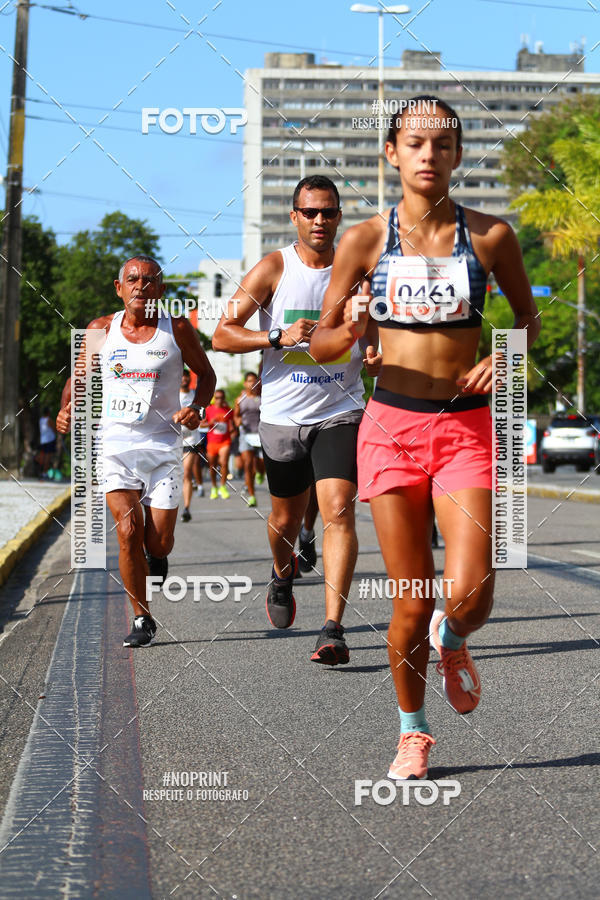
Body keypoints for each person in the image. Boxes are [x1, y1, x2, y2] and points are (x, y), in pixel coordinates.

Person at [310, 97, 540, 776]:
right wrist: (349, 330)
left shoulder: (491, 237)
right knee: (409, 601)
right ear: (392, 153)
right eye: (415, 143)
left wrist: (506, 352)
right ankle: (413, 731)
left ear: (458, 156)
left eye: (442, 145)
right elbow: (318, 346)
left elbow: (525, 315)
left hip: (465, 428)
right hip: (391, 427)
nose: (428, 155)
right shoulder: (362, 241)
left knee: (471, 591)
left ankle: (456, 635)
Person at [213, 175, 381, 665]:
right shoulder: (273, 268)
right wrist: (276, 338)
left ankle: (333, 628)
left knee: (339, 510)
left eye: (329, 212)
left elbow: (379, 334)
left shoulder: (360, 273)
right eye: (311, 212)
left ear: (339, 217)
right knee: (285, 518)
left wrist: (376, 354)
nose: (320, 221)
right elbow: (222, 335)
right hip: (283, 416)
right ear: (295, 217)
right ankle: (282, 572)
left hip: (341, 408)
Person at [56, 255, 215, 647]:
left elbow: (207, 376)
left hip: (163, 446)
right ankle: (142, 617)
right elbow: (77, 380)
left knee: (158, 543)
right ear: (118, 286)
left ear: (161, 289)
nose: (140, 285)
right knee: (127, 530)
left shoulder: (175, 329)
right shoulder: (100, 330)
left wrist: (195, 408)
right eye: (133, 279)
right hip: (115, 445)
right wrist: (66, 409)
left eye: (149, 280)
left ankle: (156, 557)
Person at [233, 371, 262, 507]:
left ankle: (261, 472)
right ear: (245, 383)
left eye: (254, 380)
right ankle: (252, 496)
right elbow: (236, 415)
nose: (252, 383)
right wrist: (237, 421)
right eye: (249, 381)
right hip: (246, 435)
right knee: (248, 465)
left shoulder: (263, 397)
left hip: (260, 434)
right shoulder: (240, 399)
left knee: (262, 464)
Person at [202, 389, 235, 499]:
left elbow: (232, 424)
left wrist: (233, 430)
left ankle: (222, 486)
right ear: (214, 399)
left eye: (221, 398)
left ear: (224, 398)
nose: (219, 400)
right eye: (217, 398)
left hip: (225, 441)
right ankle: (214, 486)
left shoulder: (228, 410)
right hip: (212, 442)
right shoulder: (209, 410)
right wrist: (210, 423)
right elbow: (201, 425)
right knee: (212, 466)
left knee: (224, 463)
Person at [179, 369, 203, 522]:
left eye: (186, 377)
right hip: (173, 440)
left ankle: (186, 508)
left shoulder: (195, 395)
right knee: (178, 476)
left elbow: (202, 413)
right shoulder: (171, 395)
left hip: (191, 440)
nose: (184, 379)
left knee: (186, 473)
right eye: (181, 377)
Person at [38, 407, 56, 476]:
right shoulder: (49, 420)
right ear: (48, 413)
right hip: (50, 440)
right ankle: (45, 472)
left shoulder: (41, 420)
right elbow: (54, 428)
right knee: (48, 457)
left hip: (43, 440)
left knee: (43, 456)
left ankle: (43, 471)